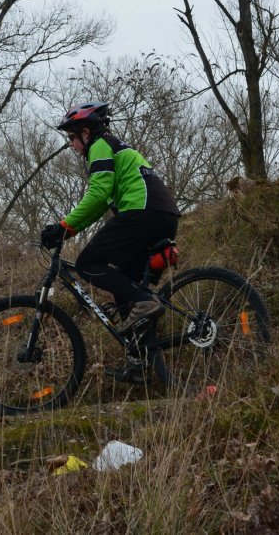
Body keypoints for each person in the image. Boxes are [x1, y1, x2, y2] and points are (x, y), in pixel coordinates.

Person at [40, 101, 181, 382]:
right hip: (162, 214)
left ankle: (145, 303)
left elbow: (98, 194)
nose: (72, 145)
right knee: (124, 281)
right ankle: (139, 360)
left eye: (72, 138)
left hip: (142, 211)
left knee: (88, 263)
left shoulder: (101, 145)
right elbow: (103, 201)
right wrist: (70, 228)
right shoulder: (116, 146)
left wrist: (64, 227)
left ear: (86, 133)